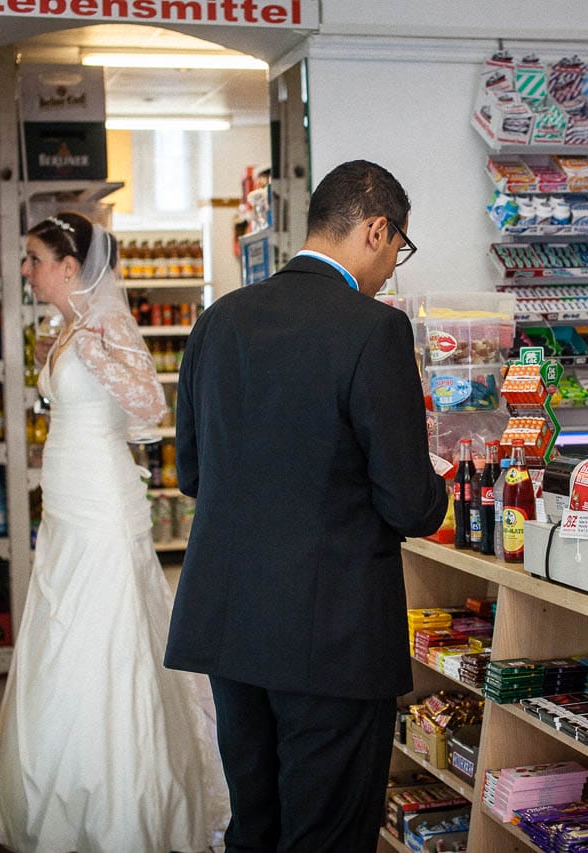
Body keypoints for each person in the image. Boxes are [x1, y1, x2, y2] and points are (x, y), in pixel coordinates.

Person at [167, 160, 447, 851]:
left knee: (257, 823)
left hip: (231, 627)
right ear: (377, 230)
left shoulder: (218, 320)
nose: (391, 268)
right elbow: (411, 503)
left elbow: (192, 473)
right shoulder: (372, 330)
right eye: (398, 249)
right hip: (333, 636)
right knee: (328, 833)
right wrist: (440, 473)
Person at [0, 212, 228, 852]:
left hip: (99, 494)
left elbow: (152, 408)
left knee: (108, 627)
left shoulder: (105, 325)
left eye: (35, 258)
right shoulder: (66, 327)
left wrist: (94, 355)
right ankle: (63, 780)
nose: (26, 270)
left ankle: (119, 798)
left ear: (70, 267)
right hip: (67, 498)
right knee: (65, 618)